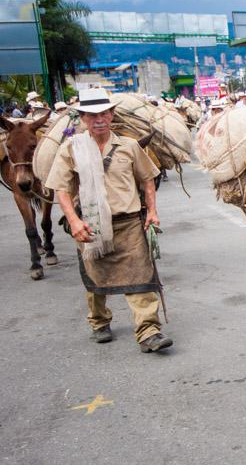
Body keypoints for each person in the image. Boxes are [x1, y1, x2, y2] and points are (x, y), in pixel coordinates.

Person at [45, 88, 173, 353]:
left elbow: (147, 178)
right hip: (90, 224)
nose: (98, 119)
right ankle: (99, 322)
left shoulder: (129, 146)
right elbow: (62, 188)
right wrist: (74, 221)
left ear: (111, 114)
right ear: (82, 118)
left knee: (141, 276)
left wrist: (152, 211)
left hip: (129, 224)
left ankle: (149, 331)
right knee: (95, 280)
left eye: (103, 113)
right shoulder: (72, 148)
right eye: (92, 115)